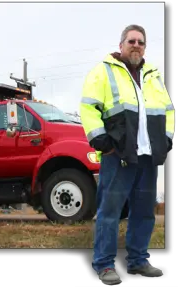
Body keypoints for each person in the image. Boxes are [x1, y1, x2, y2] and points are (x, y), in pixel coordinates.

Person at [80, 24, 174, 285]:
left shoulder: (153, 75)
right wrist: (102, 141)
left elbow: (168, 110)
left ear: (145, 47)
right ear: (121, 45)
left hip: (148, 156)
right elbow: (88, 107)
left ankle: (138, 262)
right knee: (109, 212)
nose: (136, 45)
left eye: (141, 42)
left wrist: (164, 140)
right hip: (118, 155)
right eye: (131, 41)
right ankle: (104, 265)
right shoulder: (103, 71)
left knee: (144, 212)